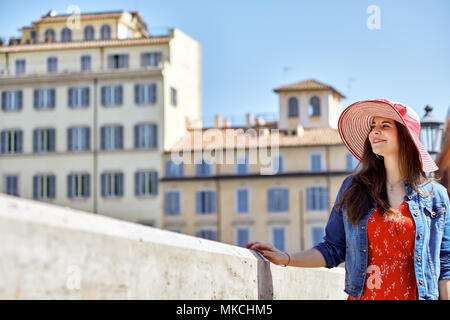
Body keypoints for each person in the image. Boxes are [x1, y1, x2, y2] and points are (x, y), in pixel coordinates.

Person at [246, 99, 450, 300]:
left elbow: (445, 262)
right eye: (373, 126)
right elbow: (333, 249)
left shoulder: (435, 196)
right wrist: (285, 258)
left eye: (384, 125)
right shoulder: (354, 188)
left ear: (406, 136)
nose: (375, 131)